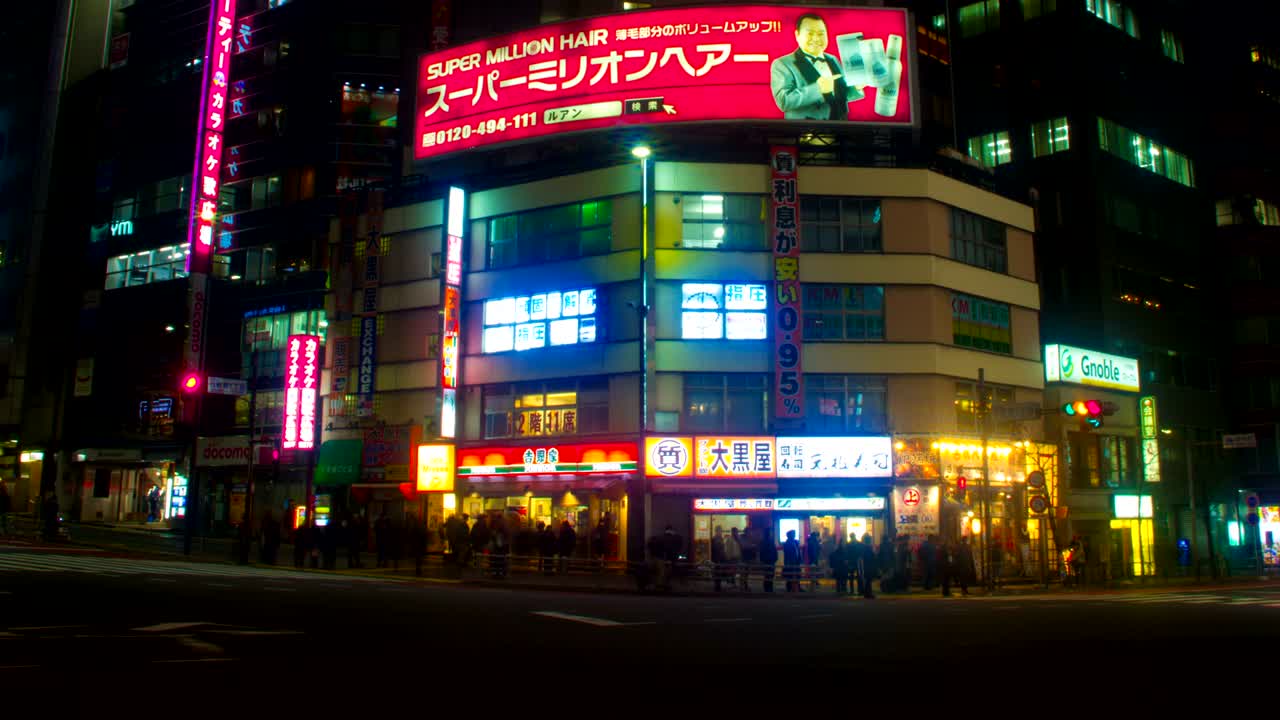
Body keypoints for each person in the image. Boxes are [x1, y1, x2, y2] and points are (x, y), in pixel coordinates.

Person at [770, 13, 861, 120]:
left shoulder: (833, 59)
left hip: (840, 126)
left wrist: (857, 87)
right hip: (805, 128)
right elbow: (783, 101)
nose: (816, 39)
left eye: (821, 34)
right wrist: (818, 89)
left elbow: (839, 96)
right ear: (797, 35)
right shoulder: (782, 64)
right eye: (810, 33)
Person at [758, 525, 778, 593]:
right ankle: (769, 589)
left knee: (768, 575)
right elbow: (774, 550)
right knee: (769, 575)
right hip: (769, 560)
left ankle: (768, 589)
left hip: (768, 560)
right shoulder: (769, 541)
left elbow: (762, 552)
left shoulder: (764, 541)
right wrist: (775, 558)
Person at [858, 532, 877, 599]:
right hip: (868, 566)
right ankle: (868, 593)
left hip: (865, 566)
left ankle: (867, 592)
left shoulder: (863, 548)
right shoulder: (868, 548)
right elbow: (872, 557)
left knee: (867, 580)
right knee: (868, 580)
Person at [725, 526, 743, 591]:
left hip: (737, 557)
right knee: (731, 571)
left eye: (736, 532)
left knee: (735, 571)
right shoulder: (729, 539)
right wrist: (728, 557)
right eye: (735, 531)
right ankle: (731, 583)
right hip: (731, 558)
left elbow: (740, 548)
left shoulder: (738, 539)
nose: (736, 533)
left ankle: (734, 583)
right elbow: (727, 549)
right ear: (732, 532)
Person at [710, 526, 727, 592]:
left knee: (719, 572)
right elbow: (715, 549)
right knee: (717, 572)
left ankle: (718, 586)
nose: (720, 532)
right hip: (717, 558)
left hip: (719, 558)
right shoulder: (715, 539)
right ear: (716, 531)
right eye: (719, 530)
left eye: (721, 530)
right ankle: (717, 586)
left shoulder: (719, 538)